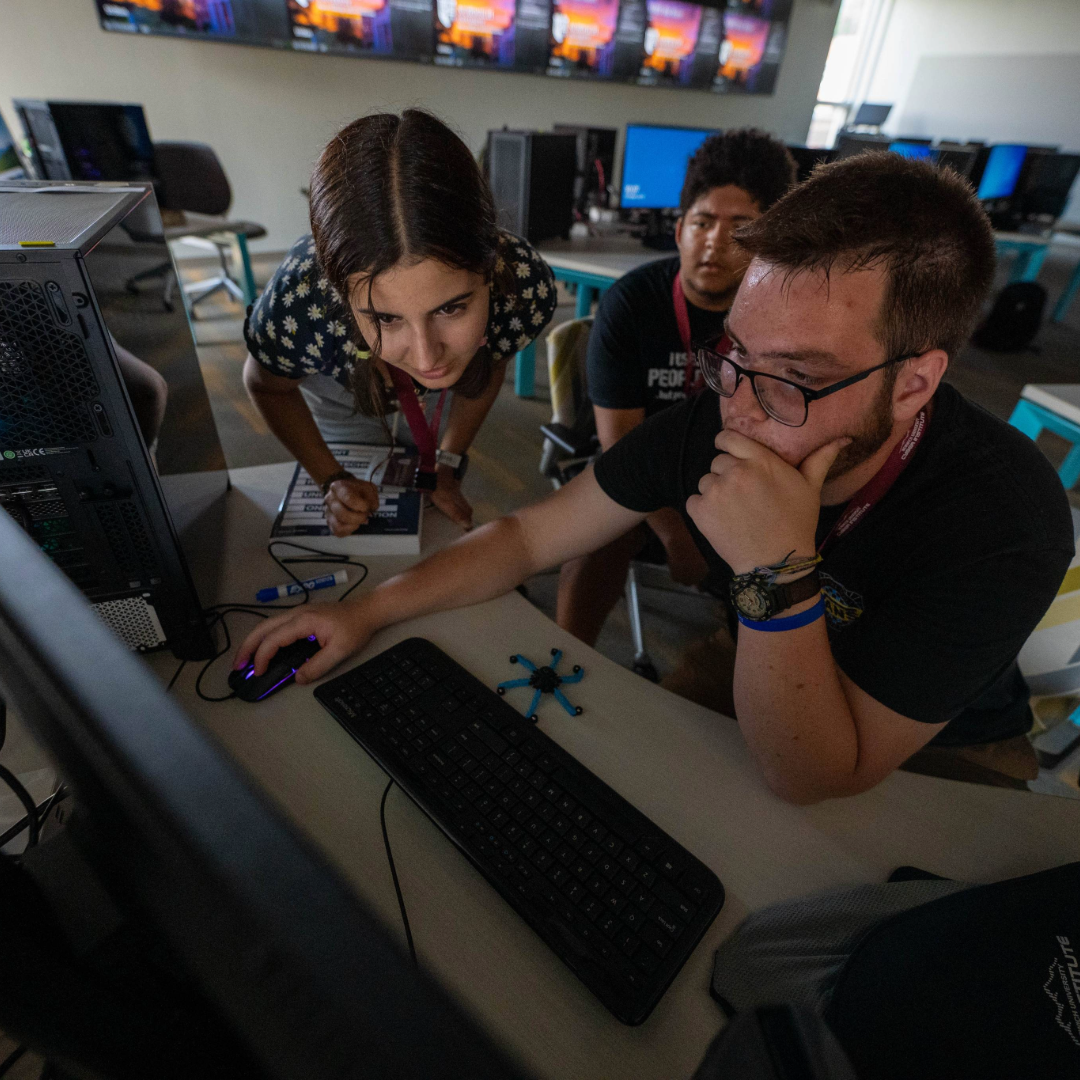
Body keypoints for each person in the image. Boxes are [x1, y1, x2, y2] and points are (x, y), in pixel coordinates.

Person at [234, 154, 1073, 804]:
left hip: (941, 746)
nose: (738, 410)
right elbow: (529, 536)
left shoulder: (1006, 516)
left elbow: (823, 775)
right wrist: (366, 610)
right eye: (734, 353)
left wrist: (774, 574)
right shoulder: (724, 414)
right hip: (768, 643)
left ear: (917, 382)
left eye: (793, 377)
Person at [242, 110, 556, 534]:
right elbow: (267, 385)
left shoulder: (520, 284)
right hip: (342, 393)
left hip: (447, 405)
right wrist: (331, 479)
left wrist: (447, 461)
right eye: (385, 318)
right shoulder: (301, 299)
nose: (428, 358)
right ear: (338, 297)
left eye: (451, 309)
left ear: (489, 270)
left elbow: (491, 361)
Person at [557, 129, 797, 646]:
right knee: (600, 528)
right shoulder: (632, 303)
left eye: (740, 227)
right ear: (680, 228)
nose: (714, 242)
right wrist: (675, 532)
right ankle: (566, 658)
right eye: (703, 222)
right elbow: (621, 449)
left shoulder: (784, 318)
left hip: (736, 476)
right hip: (645, 476)